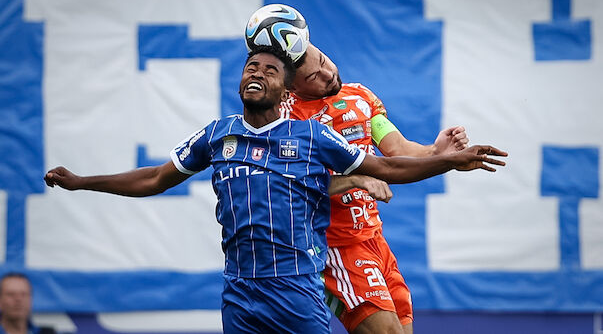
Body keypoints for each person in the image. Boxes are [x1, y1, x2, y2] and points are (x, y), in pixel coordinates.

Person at [44, 47, 506, 333]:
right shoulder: (218, 136)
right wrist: (83, 182)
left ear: (282, 87)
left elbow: (391, 159)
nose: (258, 73)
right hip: (243, 291)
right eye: (251, 66)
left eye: (269, 68)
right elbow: (154, 178)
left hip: (301, 287)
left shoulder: (328, 126)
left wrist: (441, 157)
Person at [281, 42, 469, 334]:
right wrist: (354, 180)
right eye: (313, 77)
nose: (328, 73)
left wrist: (436, 151)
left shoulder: (360, 97)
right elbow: (290, 189)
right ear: (291, 87)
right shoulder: (288, 121)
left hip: (375, 240)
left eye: (324, 60)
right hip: (335, 247)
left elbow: (399, 150)